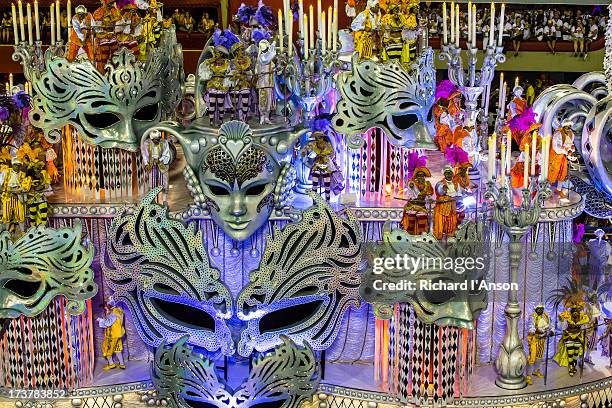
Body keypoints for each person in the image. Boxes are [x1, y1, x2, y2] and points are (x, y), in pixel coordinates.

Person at [301, 132, 342, 201]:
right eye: (317, 137)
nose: (318, 138)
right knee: (315, 185)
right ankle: (315, 201)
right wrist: (304, 156)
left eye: (319, 137)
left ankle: (327, 201)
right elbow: (304, 150)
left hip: (325, 165)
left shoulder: (327, 144)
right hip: (317, 165)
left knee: (327, 185)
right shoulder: (313, 144)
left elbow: (332, 153)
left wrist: (328, 160)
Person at [554, 303, 589, 377]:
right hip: (569, 335)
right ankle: (571, 368)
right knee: (570, 352)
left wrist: (582, 326)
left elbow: (585, 325)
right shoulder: (567, 314)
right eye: (574, 308)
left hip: (578, 336)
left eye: (578, 308)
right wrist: (562, 320)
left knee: (576, 353)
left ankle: (573, 366)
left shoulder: (583, 315)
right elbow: (562, 326)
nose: (576, 310)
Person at [400, 166, 433, 235]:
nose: (420, 177)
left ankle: (422, 235)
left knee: (422, 218)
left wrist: (429, 199)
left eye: (422, 175)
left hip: (422, 206)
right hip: (412, 205)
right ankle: (409, 234)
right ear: (416, 176)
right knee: (411, 219)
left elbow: (428, 195)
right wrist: (413, 190)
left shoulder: (428, 184)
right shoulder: (412, 183)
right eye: (418, 175)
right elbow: (411, 193)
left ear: (424, 176)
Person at [433, 166, 462, 240]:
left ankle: (450, 242)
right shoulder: (440, 183)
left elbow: (459, 194)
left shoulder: (456, 184)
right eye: (446, 173)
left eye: (450, 173)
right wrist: (444, 189)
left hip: (452, 208)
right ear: (444, 175)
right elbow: (440, 191)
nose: (448, 175)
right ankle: (437, 242)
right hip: (442, 208)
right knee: (439, 226)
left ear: (453, 174)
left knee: (451, 226)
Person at [547, 119, 574, 198]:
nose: (569, 129)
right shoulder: (558, 133)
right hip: (555, 157)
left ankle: (558, 189)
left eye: (570, 127)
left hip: (563, 157)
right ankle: (547, 191)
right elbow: (556, 147)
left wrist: (571, 149)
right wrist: (566, 151)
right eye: (567, 127)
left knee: (562, 173)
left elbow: (570, 145)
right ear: (563, 127)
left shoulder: (571, 134)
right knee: (552, 173)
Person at [97, 298, 126, 371]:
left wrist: (99, 319)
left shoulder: (113, 313)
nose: (105, 307)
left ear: (109, 305)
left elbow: (108, 323)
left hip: (112, 335)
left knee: (107, 349)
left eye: (106, 306)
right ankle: (122, 364)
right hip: (118, 334)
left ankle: (111, 364)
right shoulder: (118, 311)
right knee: (117, 348)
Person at [527, 305, 551, 383]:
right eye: (538, 309)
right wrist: (536, 330)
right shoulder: (532, 316)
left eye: (542, 308)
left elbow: (550, 325)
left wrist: (552, 331)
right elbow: (530, 328)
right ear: (535, 309)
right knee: (532, 358)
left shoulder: (546, 315)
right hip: (534, 340)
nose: (540, 310)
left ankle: (536, 371)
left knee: (539, 356)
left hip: (542, 339)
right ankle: (528, 376)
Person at [255, 39, 276, 125]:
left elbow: (273, 67)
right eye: (261, 46)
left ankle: (267, 117)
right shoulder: (262, 57)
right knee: (262, 100)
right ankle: (262, 117)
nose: (263, 47)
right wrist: (273, 45)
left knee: (269, 101)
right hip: (262, 83)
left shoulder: (270, 60)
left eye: (264, 45)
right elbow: (266, 59)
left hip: (269, 83)